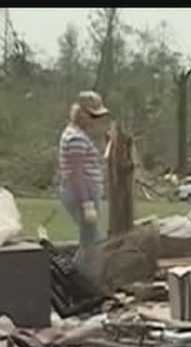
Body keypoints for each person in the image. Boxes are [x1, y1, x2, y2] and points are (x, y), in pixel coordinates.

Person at [58, 91, 110, 260]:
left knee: (90, 241)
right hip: (82, 194)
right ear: (81, 114)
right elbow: (76, 174)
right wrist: (86, 203)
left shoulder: (79, 135)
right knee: (92, 242)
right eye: (92, 116)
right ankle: (82, 277)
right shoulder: (76, 139)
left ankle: (81, 274)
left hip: (86, 192)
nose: (95, 121)